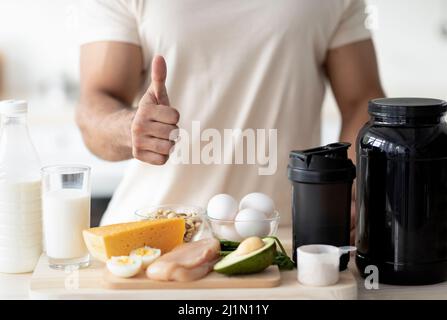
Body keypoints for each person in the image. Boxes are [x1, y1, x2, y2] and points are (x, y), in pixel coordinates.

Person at [76, 0, 385, 239]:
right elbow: (95, 102)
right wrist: (130, 130)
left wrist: (350, 190)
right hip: (150, 238)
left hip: (284, 240)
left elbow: (362, 100)